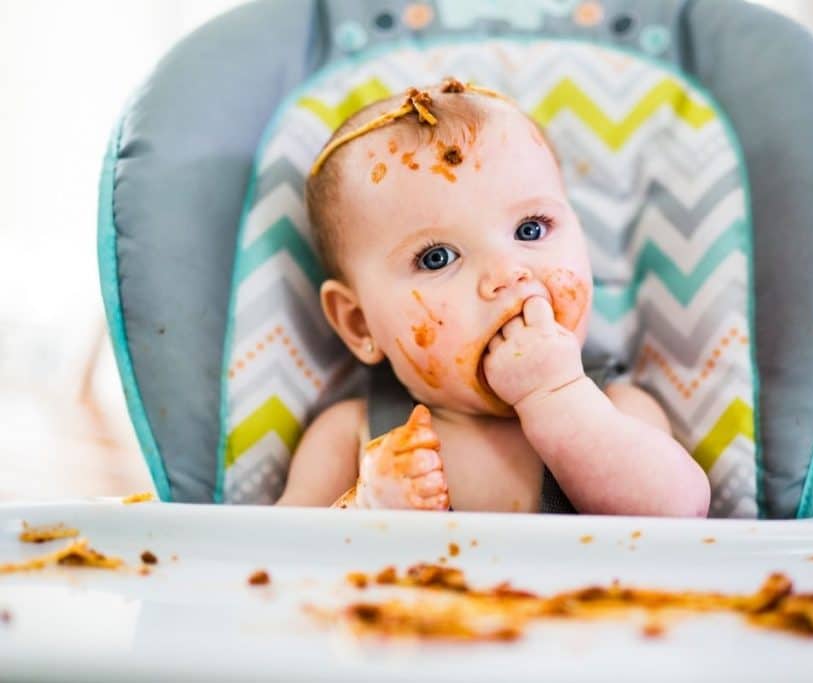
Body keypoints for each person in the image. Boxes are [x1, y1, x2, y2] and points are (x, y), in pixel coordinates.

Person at [275, 78, 709, 516]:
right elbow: (270, 555)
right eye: (437, 258)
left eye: (531, 229)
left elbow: (680, 516)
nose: (507, 275)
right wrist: (365, 509)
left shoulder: (615, 410)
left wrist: (557, 395)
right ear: (359, 323)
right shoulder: (351, 436)